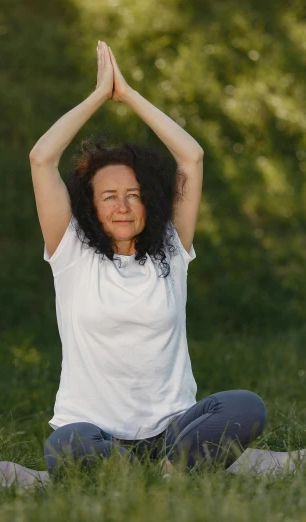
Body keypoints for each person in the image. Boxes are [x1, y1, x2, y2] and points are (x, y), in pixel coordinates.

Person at [29, 41, 266, 477]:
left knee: (247, 408)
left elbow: (191, 157)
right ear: (91, 207)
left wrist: (130, 95)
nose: (122, 206)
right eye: (109, 197)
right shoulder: (71, 253)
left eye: (133, 195)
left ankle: (165, 468)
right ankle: (139, 470)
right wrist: (100, 95)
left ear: (149, 201)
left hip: (173, 430)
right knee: (69, 444)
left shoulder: (171, 250)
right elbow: (42, 159)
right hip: (96, 432)